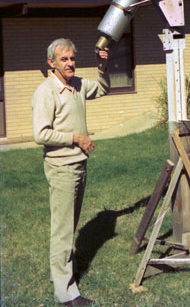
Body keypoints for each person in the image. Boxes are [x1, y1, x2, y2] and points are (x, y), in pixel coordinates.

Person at [32, 38, 110, 306]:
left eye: (72, 58)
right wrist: (76, 138)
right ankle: (66, 294)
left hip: (79, 165)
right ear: (51, 63)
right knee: (63, 230)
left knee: (69, 225)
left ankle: (61, 273)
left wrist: (102, 66)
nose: (70, 63)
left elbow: (102, 88)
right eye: (64, 59)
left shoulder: (77, 85)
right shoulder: (46, 92)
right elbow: (40, 134)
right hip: (62, 167)